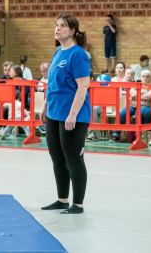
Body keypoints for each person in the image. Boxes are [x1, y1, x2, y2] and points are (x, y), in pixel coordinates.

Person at [40, 14, 91, 215]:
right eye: (56, 25)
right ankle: (62, 199)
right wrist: (45, 106)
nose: (58, 28)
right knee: (57, 158)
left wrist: (72, 114)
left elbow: (83, 86)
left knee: (73, 159)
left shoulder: (78, 54)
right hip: (54, 113)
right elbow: (52, 83)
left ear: (72, 31)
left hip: (73, 116)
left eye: (62, 26)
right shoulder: (57, 52)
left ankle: (77, 204)